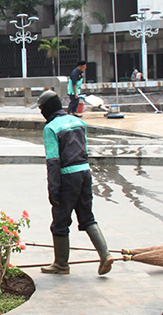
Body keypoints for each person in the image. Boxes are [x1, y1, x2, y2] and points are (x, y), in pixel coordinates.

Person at [37, 90, 113, 276]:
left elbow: (53, 162)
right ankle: (105, 254)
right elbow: (83, 150)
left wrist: (53, 189)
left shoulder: (51, 128)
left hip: (67, 177)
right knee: (87, 217)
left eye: (40, 108)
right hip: (85, 173)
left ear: (46, 109)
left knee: (60, 222)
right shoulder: (79, 122)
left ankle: (61, 264)